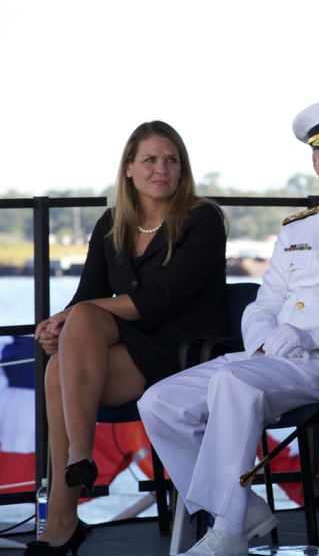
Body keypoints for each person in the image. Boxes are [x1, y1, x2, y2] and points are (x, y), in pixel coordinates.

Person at [138, 100, 319, 556]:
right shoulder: (296, 229)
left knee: (233, 382)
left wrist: (311, 336)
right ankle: (246, 506)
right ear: (314, 163)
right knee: (158, 402)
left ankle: (229, 529)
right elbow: (265, 301)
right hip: (270, 357)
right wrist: (263, 340)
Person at [28, 121, 229, 556]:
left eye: (171, 160)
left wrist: (70, 318)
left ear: (182, 169)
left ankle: (66, 505)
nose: (162, 169)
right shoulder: (112, 223)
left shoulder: (203, 218)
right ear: (128, 169)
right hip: (134, 346)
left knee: (67, 355)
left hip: (189, 352)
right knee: (61, 360)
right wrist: (58, 328)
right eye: (151, 159)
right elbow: (87, 298)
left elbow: (160, 299)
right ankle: (74, 482)